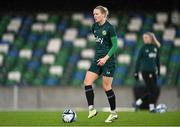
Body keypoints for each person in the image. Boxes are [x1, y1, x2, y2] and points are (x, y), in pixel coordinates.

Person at [83, 5, 118, 122]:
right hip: (97, 59)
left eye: (97, 14)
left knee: (106, 86)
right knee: (87, 82)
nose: (94, 16)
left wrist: (106, 58)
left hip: (108, 61)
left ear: (103, 14)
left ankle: (113, 113)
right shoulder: (94, 27)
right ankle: (91, 109)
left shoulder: (110, 28)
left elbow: (115, 45)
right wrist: (100, 57)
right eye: (93, 14)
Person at [133, 32, 161, 113]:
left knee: (152, 90)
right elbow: (138, 60)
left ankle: (138, 103)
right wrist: (136, 72)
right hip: (145, 71)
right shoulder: (143, 48)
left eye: (146, 37)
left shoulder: (155, 47)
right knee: (153, 90)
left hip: (153, 72)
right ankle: (151, 108)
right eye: (144, 38)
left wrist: (158, 71)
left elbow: (157, 61)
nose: (144, 39)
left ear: (151, 38)